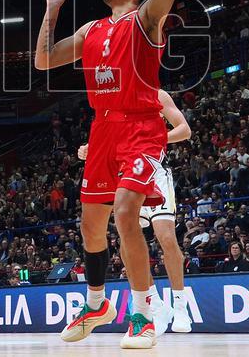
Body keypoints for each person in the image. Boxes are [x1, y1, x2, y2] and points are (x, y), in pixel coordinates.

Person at [36, 0, 180, 349]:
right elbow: (44, 60)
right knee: (90, 227)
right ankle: (98, 304)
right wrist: (51, 10)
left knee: (125, 211)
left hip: (142, 126)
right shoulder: (92, 30)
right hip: (102, 129)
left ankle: (143, 314)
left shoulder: (146, 20)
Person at [78, 89, 192, 334]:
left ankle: (180, 305)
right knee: (126, 239)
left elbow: (184, 130)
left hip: (155, 171)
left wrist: (155, 138)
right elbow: (112, 139)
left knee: (166, 237)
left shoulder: (157, 95)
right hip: (126, 172)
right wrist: (92, 148)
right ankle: (153, 302)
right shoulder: (110, 101)